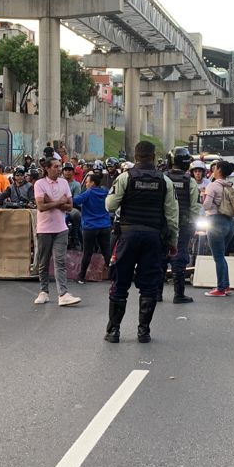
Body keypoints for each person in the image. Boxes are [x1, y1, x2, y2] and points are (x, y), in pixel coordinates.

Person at [104, 141, 178, 343]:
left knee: (120, 283)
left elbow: (110, 205)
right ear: (154, 157)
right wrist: (173, 241)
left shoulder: (125, 178)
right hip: (153, 238)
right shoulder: (165, 181)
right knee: (149, 285)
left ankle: (114, 331)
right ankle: (143, 332)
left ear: (135, 157)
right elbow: (172, 216)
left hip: (128, 236)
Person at [33, 158, 81, 307]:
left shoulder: (64, 183)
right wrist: (59, 202)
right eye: (56, 166)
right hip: (44, 229)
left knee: (60, 261)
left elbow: (70, 206)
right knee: (44, 261)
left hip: (61, 228)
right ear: (47, 168)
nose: (59, 169)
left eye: (60, 166)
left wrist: (51, 202)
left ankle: (63, 294)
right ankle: (44, 291)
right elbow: (41, 206)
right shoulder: (39, 184)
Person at [164, 147, 203, 303]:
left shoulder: (163, 178)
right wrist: (193, 225)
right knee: (179, 258)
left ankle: (157, 293)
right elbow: (195, 207)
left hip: (163, 224)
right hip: (183, 224)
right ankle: (178, 294)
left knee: (161, 256)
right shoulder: (190, 182)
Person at [201, 161, 234, 297]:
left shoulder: (213, 186)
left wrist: (203, 197)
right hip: (230, 222)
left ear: (219, 170)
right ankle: (226, 285)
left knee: (218, 257)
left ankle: (221, 288)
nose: (213, 169)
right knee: (222, 255)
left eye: (215, 168)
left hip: (215, 221)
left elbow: (206, 206)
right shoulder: (230, 186)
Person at [73, 172, 112, 283]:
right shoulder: (105, 192)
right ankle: (113, 276)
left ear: (93, 183)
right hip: (105, 225)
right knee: (106, 252)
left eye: (87, 182)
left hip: (90, 226)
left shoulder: (89, 193)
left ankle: (81, 277)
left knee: (87, 252)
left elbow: (75, 201)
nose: (86, 184)